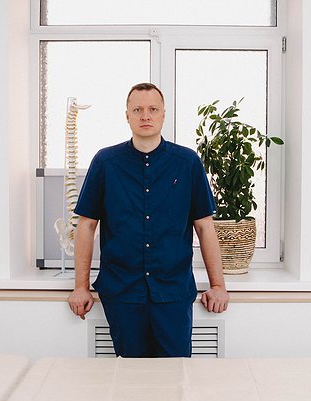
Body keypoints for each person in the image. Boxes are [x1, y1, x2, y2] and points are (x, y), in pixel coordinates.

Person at [66, 82, 230, 358]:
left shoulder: (187, 162)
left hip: (173, 292)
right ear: (127, 116)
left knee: (177, 372)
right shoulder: (106, 162)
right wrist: (80, 287)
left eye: (153, 109)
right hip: (122, 293)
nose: (145, 116)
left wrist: (218, 286)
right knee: (131, 375)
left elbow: (205, 228)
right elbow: (86, 225)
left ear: (163, 114)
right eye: (137, 110)